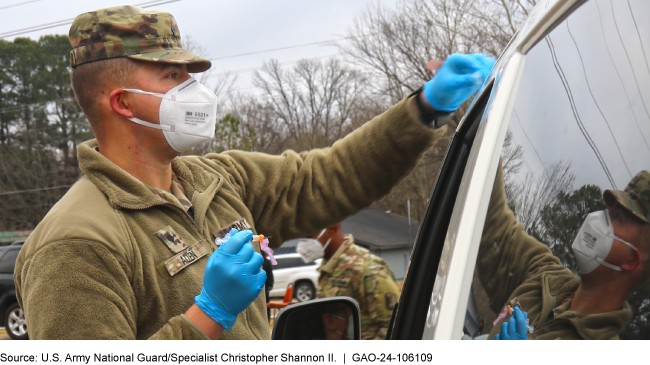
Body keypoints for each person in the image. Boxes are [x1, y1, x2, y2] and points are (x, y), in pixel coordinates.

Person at [14, 5, 495, 340]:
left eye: (190, 75)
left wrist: (423, 110)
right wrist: (208, 315)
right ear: (121, 102)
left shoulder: (219, 181)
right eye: (170, 77)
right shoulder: (75, 244)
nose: (193, 90)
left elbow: (327, 177)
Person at [478, 164, 650, 340]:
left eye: (618, 218)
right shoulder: (544, 276)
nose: (599, 219)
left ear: (630, 260)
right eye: (608, 211)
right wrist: (483, 140)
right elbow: (493, 221)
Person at [297, 224, 400, 340]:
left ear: (332, 229)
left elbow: (394, 326)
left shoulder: (367, 268)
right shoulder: (328, 266)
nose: (305, 243)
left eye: (310, 235)